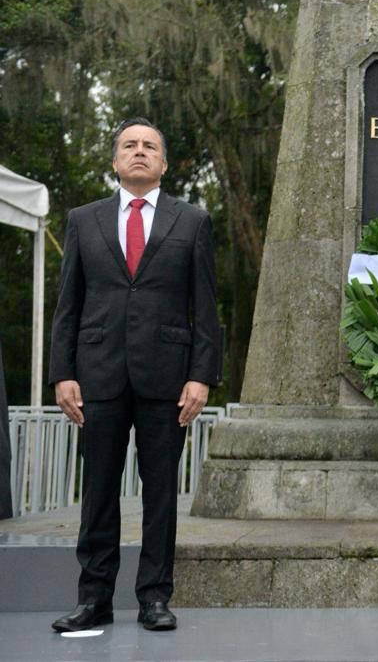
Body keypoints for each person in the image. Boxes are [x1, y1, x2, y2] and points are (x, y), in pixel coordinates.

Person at [48, 118, 221, 632]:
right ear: (116, 160)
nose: (139, 152)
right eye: (130, 145)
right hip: (96, 376)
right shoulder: (84, 220)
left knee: (161, 493)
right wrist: (62, 373)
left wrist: (201, 376)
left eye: (149, 146)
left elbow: (205, 308)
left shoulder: (191, 221)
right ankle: (94, 598)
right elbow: (68, 306)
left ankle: (154, 599)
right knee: (98, 491)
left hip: (167, 380)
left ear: (164, 164)